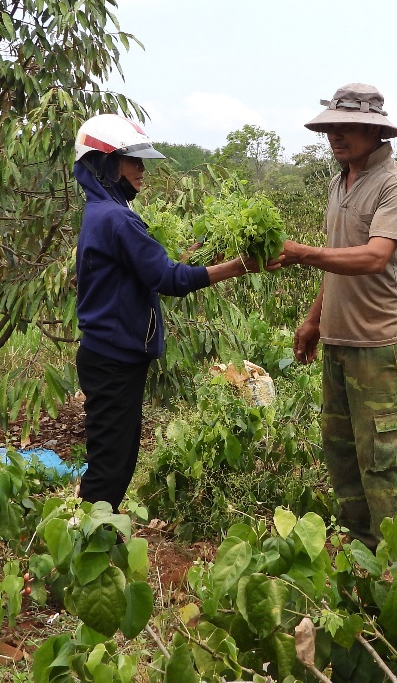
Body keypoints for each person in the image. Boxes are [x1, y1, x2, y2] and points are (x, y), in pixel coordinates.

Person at [72, 114, 268, 510]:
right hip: (114, 358)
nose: (142, 170)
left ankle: (98, 534)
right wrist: (238, 266)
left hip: (108, 354)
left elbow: (146, 271)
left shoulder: (103, 213)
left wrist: (194, 254)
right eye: (133, 160)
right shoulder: (118, 218)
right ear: (106, 163)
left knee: (118, 456)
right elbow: (169, 280)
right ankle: (88, 545)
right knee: (112, 463)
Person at [277, 83, 397, 550]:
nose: (336, 136)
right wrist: (315, 318)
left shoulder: (396, 184)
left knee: (381, 460)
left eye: (347, 127)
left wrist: (300, 254)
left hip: (379, 346)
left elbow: (375, 257)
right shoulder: (340, 183)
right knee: (342, 455)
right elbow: (337, 259)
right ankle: (363, 557)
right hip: (339, 341)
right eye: (331, 128)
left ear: (375, 131)